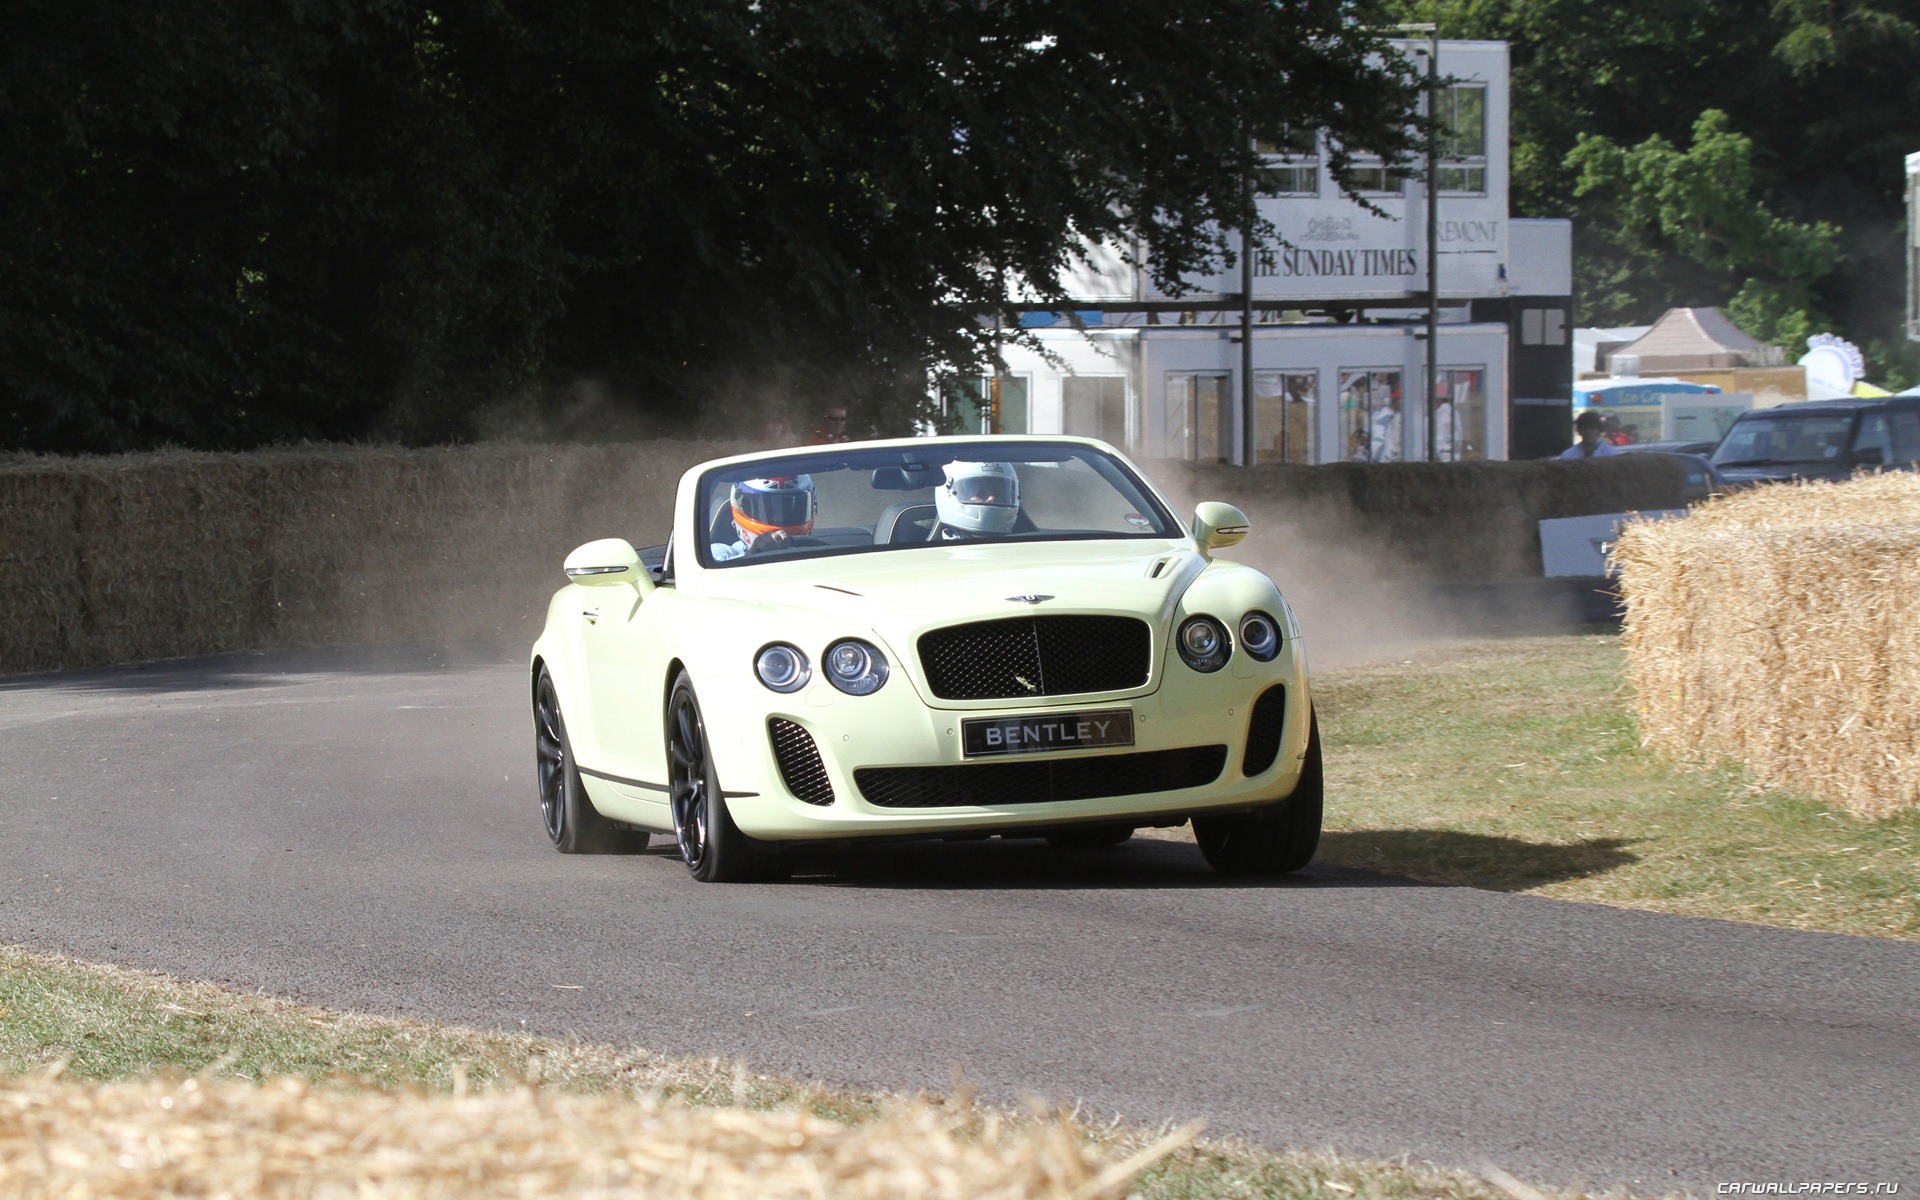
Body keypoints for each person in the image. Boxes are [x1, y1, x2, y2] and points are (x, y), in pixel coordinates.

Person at [710, 475, 816, 560]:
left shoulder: (817, 550)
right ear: (740, 506)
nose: (779, 520)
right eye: (768, 509)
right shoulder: (718, 554)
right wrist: (752, 555)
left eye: (790, 508)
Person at [931, 461, 1019, 540]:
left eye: (999, 492)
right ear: (948, 491)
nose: (992, 498)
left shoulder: (1024, 546)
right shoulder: (929, 554)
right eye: (981, 491)